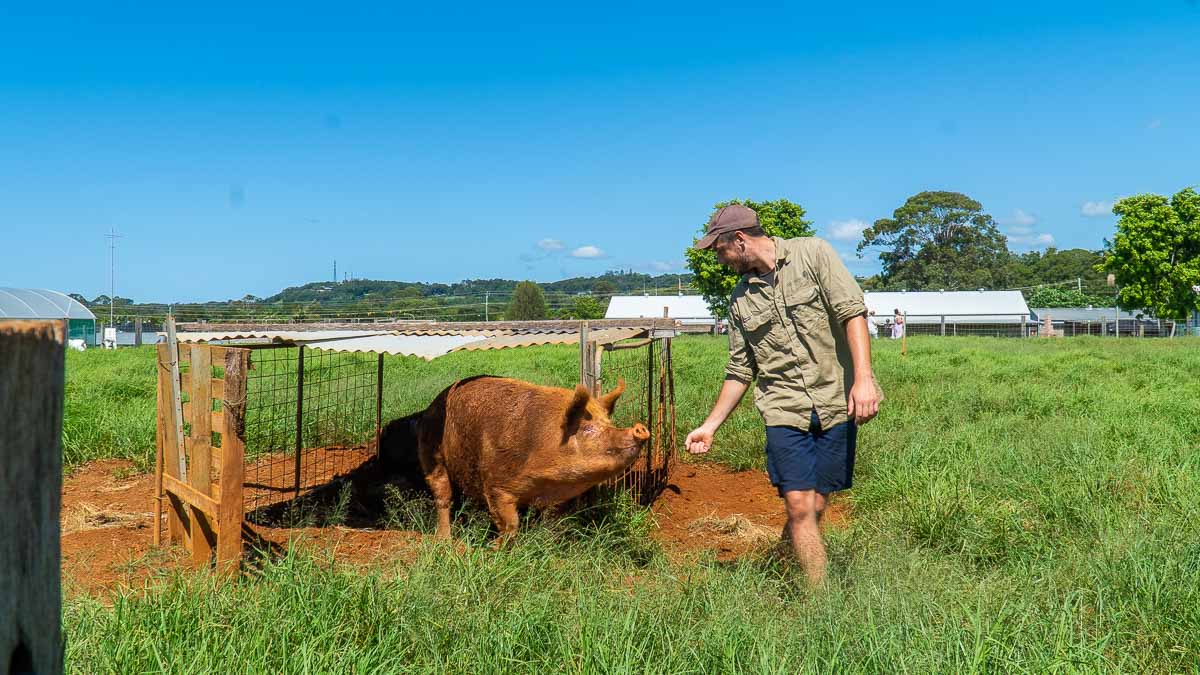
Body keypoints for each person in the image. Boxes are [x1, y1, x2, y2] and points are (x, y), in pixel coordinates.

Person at [685, 204, 882, 588]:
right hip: (783, 408)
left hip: (835, 401)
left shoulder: (814, 254)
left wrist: (864, 379)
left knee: (817, 505)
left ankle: (784, 555)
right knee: (799, 504)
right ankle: (819, 605)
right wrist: (710, 426)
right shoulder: (740, 300)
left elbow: (852, 313)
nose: (719, 259)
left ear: (738, 240)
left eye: (718, 250)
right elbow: (741, 370)